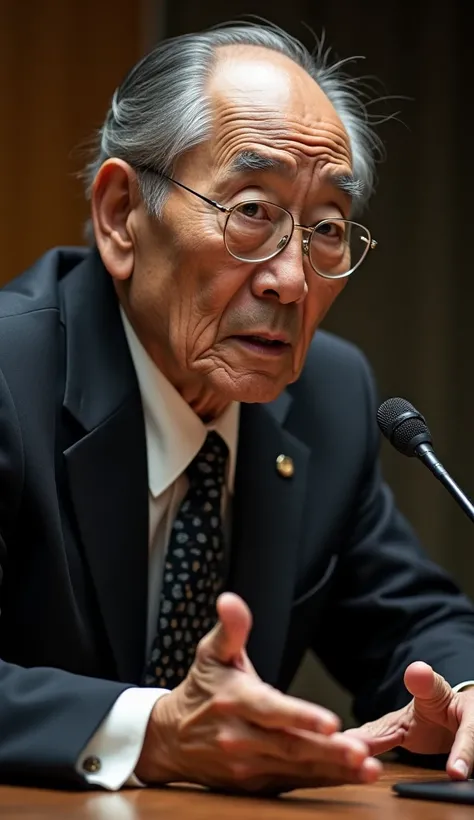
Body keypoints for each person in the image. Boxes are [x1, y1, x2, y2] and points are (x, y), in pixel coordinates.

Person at [1, 20, 474, 796]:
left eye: (325, 228)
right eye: (252, 210)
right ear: (122, 214)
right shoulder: (9, 377)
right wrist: (153, 732)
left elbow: (417, 622)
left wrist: (462, 694)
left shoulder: (330, 396)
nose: (290, 280)